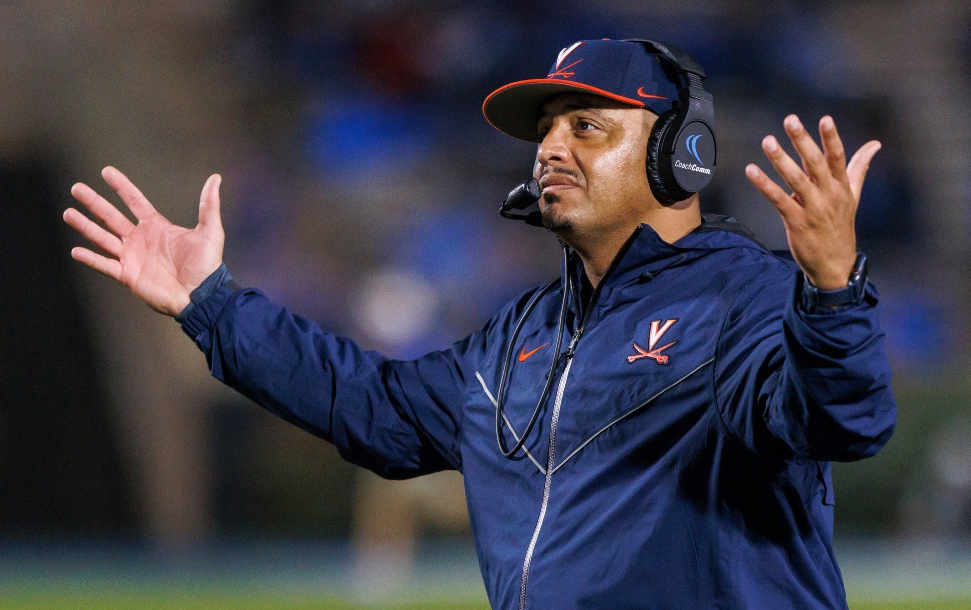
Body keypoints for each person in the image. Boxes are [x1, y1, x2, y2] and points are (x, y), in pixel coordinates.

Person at [63, 38, 896, 609]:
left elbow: (842, 418)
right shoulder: (518, 338)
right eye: (545, 131)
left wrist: (829, 290)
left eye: (587, 127)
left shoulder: (741, 297)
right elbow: (374, 408)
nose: (550, 150)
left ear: (683, 155)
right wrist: (213, 305)